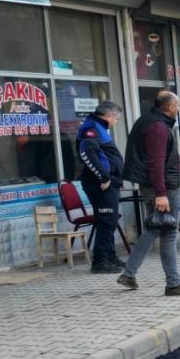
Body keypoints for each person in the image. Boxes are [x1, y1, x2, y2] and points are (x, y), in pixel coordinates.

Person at [117, 91, 180, 296]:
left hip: (157, 185)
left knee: (158, 227)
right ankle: (172, 283)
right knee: (166, 230)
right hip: (162, 187)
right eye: (178, 106)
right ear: (170, 108)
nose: (179, 110)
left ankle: (132, 274)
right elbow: (155, 164)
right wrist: (161, 193)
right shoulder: (157, 127)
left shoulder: (149, 121)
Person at [74, 100, 125, 273]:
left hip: (108, 183)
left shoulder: (99, 127)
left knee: (109, 222)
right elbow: (86, 152)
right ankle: (100, 262)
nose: (116, 122)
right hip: (100, 184)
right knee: (105, 221)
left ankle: (110, 256)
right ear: (109, 116)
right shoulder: (92, 128)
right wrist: (104, 177)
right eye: (116, 118)